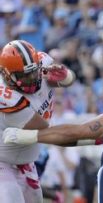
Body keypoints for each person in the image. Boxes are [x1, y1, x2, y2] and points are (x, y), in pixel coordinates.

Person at [0, 40, 76, 203]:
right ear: (7, 74)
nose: (32, 78)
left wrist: (65, 76)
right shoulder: (7, 97)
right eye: (24, 75)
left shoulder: (42, 63)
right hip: (3, 161)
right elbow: (44, 129)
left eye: (34, 72)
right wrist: (81, 135)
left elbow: (69, 80)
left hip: (27, 161)